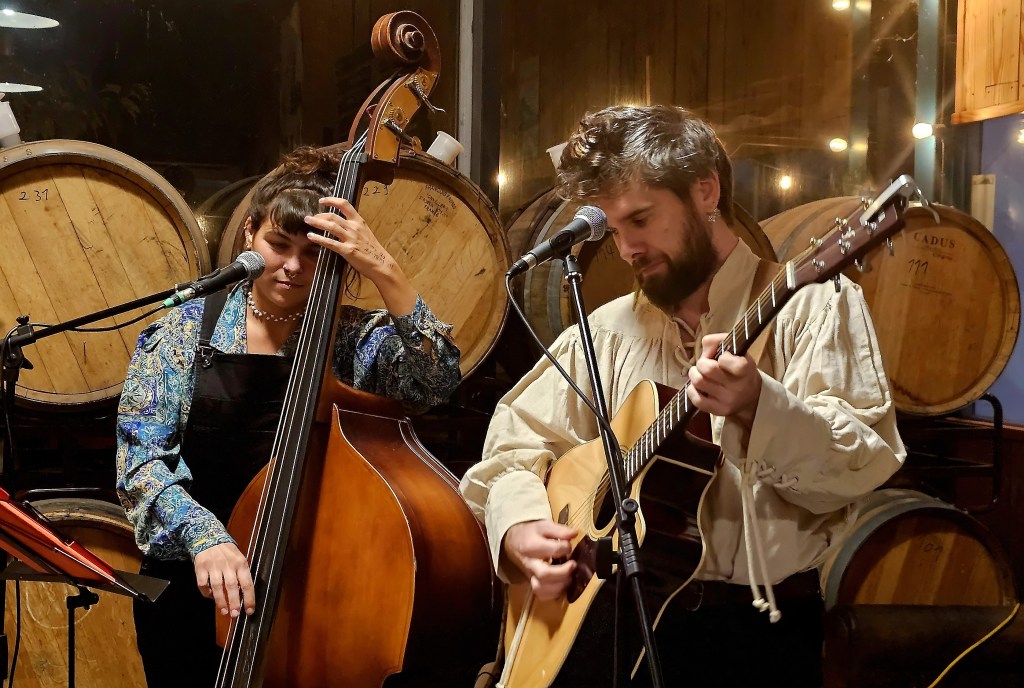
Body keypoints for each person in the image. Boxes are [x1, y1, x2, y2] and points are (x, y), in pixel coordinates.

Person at [460, 105, 905, 687]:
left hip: (753, 641)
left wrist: (757, 406)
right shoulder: (606, 331)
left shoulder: (815, 304)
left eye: (641, 219)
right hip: (609, 627)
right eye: (615, 229)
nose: (627, 249)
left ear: (705, 190)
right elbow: (509, 452)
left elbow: (863, 462)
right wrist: (518, 526)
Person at [116, 146, 461, 687]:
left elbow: (433, 381)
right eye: (279, 245)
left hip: (311, 592)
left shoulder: (348, 339)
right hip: (193, 584)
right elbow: (140, 464)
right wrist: (207, 537)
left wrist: (383, 268)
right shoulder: (184, 332)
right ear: (250, 233)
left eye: (314, 254)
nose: (295, 266)